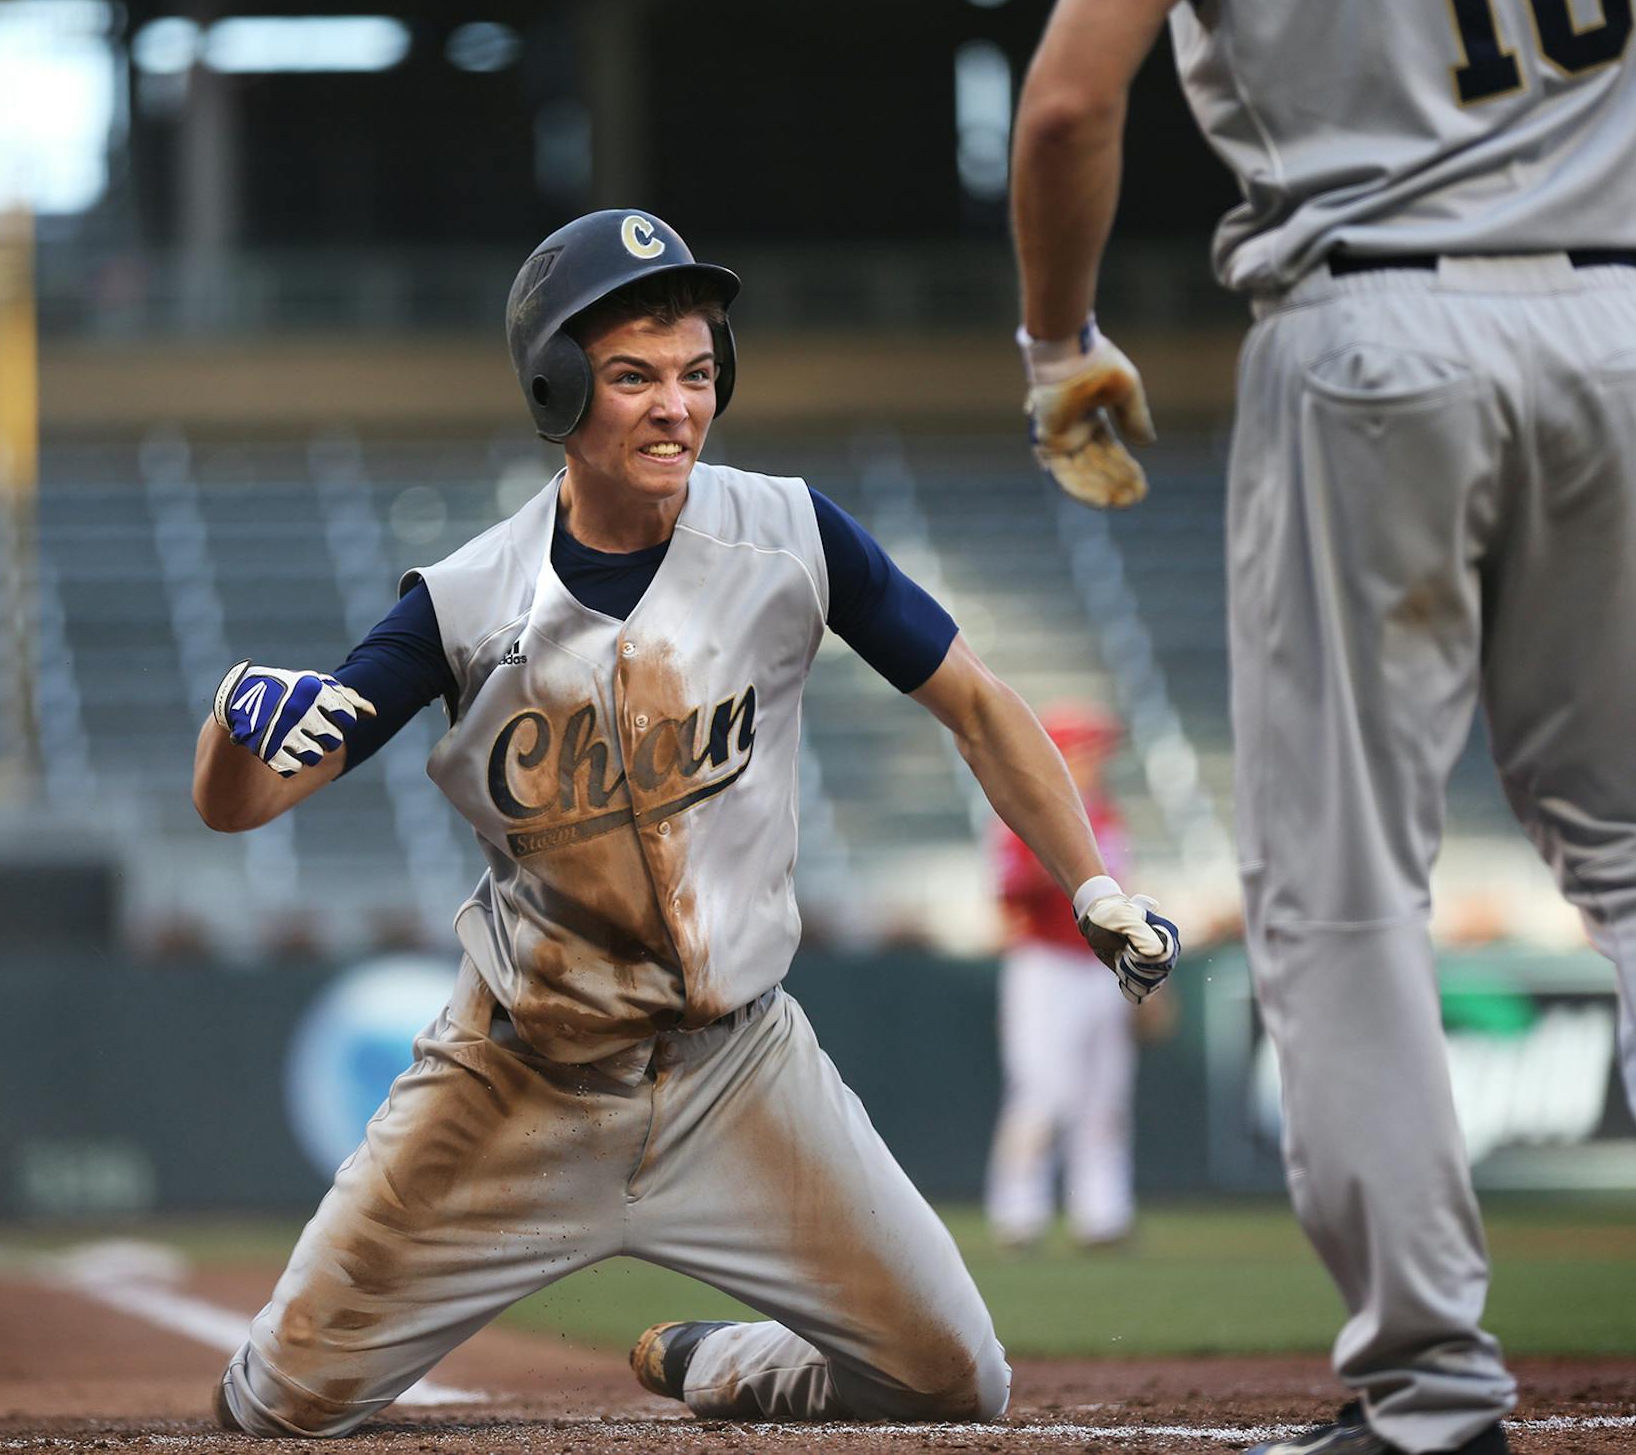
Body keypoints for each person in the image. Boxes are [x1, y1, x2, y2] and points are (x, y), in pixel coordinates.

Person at [191, 209, 1182, 1436]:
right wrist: (233, 728)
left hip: (739, 1068)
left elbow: (977, 703)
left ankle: (720, 1365)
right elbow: (246, 806)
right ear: (557, 392)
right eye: (633, 377)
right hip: (518, 1078)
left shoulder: (790, 535)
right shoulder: (463, 607)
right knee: (275, 1408)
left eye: (698, 373)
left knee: (956, 1382)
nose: (677, 405)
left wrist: (1092, 887)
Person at [1009, 0, 1636, 1453]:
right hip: (1621, 326)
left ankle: (1430, 1388)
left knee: (1343, 881)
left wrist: (1058, 344)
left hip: (1371, 328)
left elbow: (1063, 101)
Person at [984, 702, 1144, 1251]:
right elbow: (1009, 896)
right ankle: (1018, 1215)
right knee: (1044, 1092)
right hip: (1046, 964)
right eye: (1086, 748)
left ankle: (1102, 1216)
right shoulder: (1029, 808)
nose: (1098, 759)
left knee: (1105, 1096)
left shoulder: (1107, 815)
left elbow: (1126, 895)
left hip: (1101, 967)